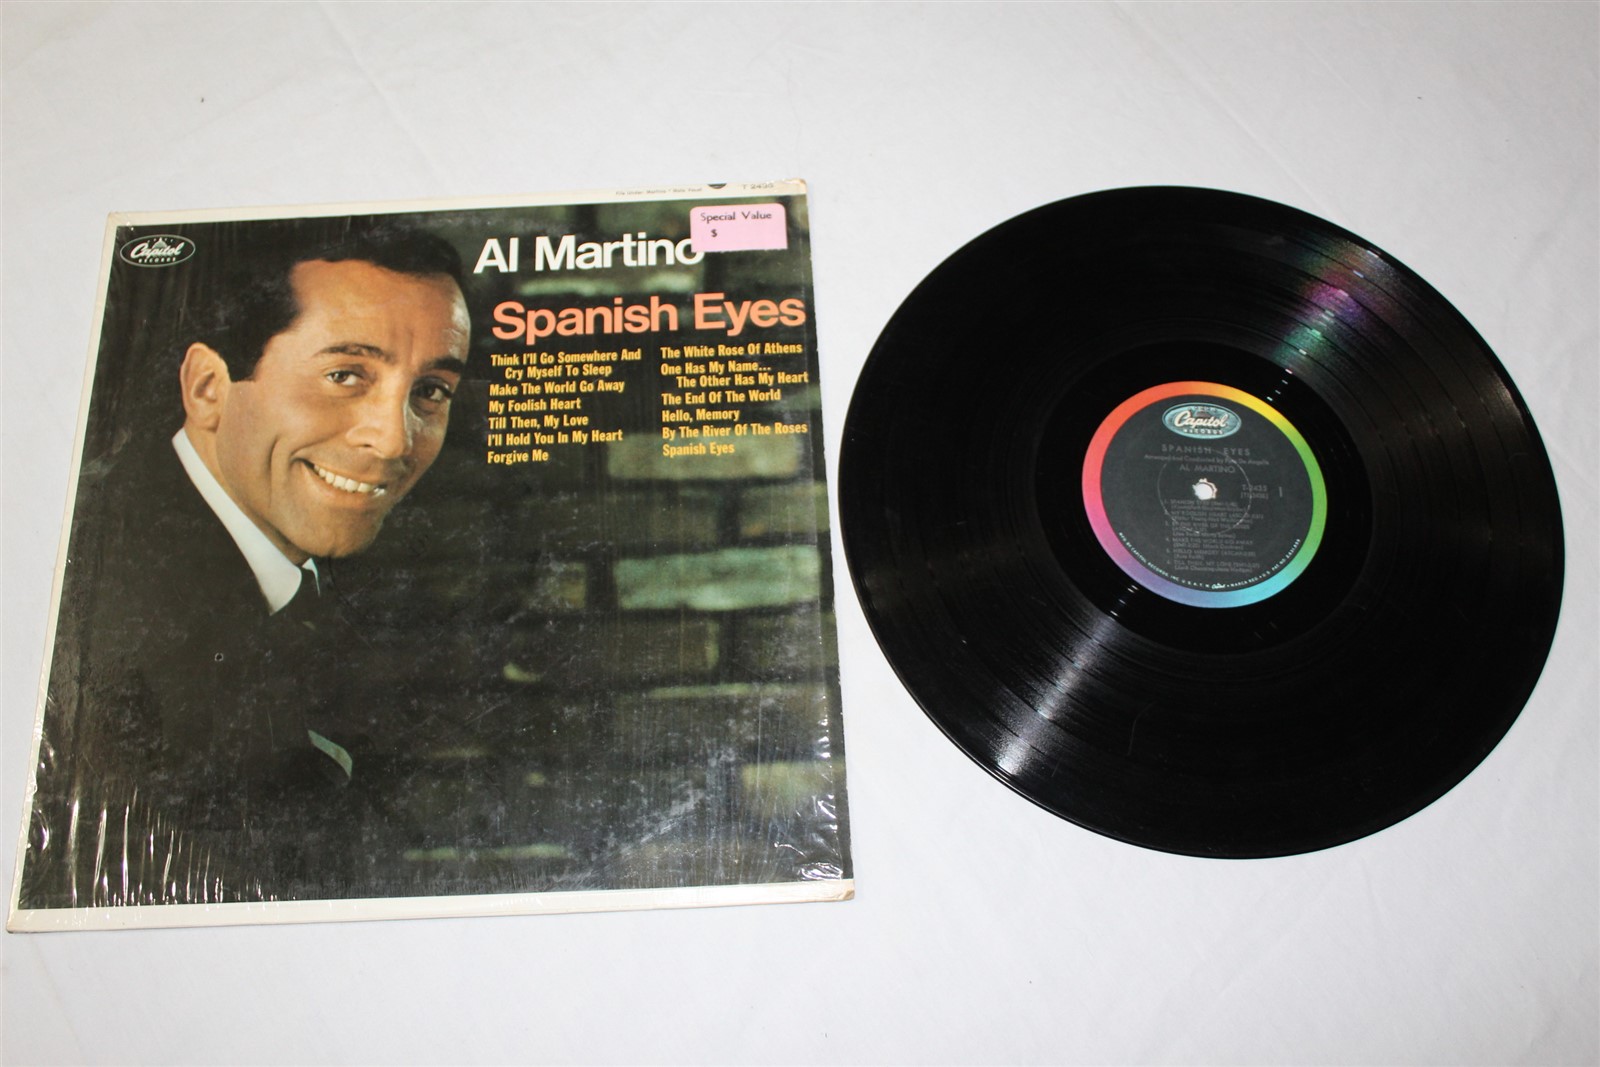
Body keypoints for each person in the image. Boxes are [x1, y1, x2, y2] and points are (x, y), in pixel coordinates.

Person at [21, 221, 471, 907]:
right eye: (344, 375)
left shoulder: (322, 581)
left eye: (431, 390)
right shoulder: (95, 595)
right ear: (208, 387)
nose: (392, 441)